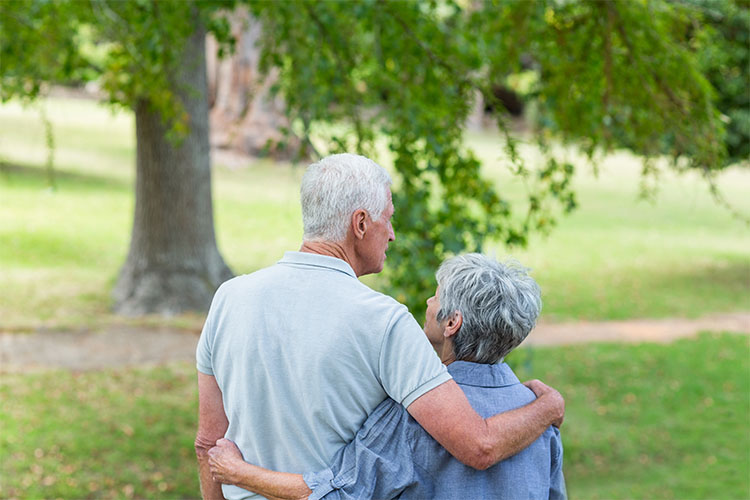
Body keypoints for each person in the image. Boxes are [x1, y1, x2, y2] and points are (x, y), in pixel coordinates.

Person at [195, 154, 564, 500]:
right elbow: (478, 445)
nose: (391, 233)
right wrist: (548, 407)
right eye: (387, 218)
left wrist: (239, 475)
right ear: (360, 224)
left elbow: (208, 442)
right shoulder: (384, 321)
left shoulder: (229, 298)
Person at [206, 253, 566, 500]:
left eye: (436, 297)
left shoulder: (412, 414)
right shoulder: (538, 416)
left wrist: (238, 473)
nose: (427, 302)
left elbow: (337, 492)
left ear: (452, 322)